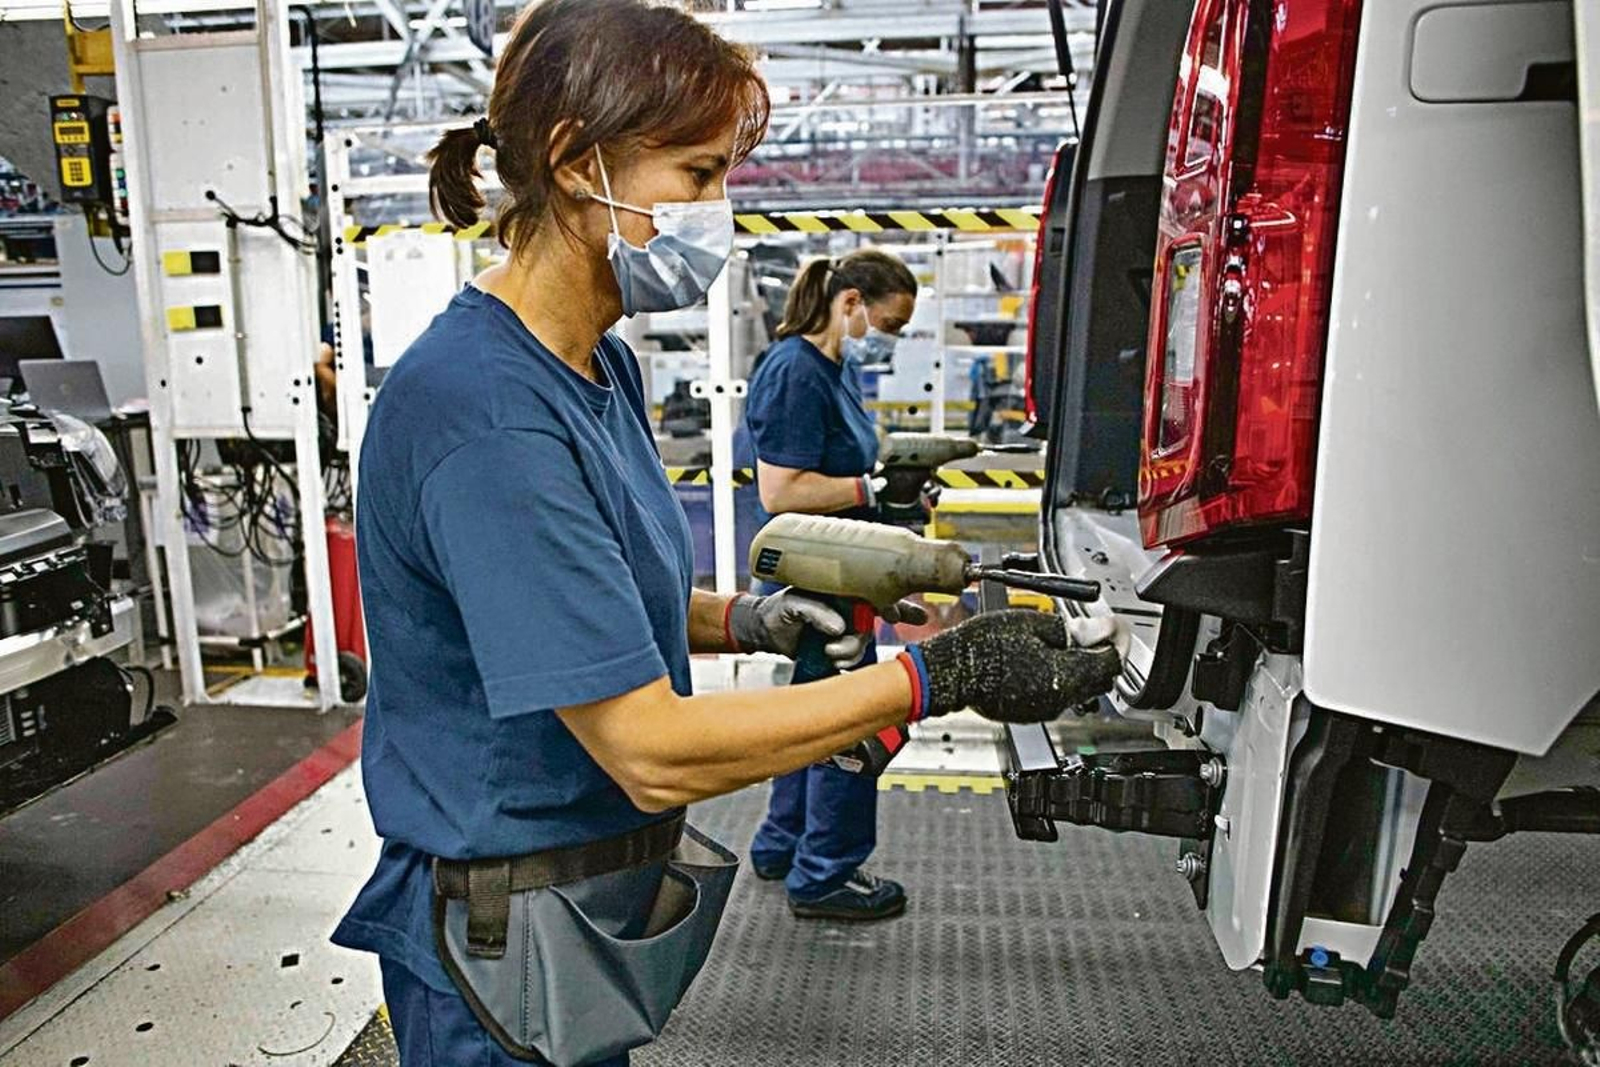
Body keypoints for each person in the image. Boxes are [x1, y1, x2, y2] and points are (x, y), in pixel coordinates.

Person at [331, 2, 1125, 1064]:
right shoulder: (485, 411)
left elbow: (578, 602)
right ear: (576, 161)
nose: (721, 211)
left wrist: (742, 617)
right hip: (501, 939)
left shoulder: (595, 366)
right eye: (698, 175)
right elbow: (648, 748)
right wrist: (940, 676)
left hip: (582, 907)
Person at [741, 249, 922, 922]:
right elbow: (781, 489)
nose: (891, 339)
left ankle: (783, 841)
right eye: (890, 323)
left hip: (842, 569)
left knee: (811, 709)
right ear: (849, 303)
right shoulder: (794, 371)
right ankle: (825, 872)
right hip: (817, 573)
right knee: (850, 718)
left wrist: (889, 494)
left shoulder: (833, 369)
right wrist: (868, 488)